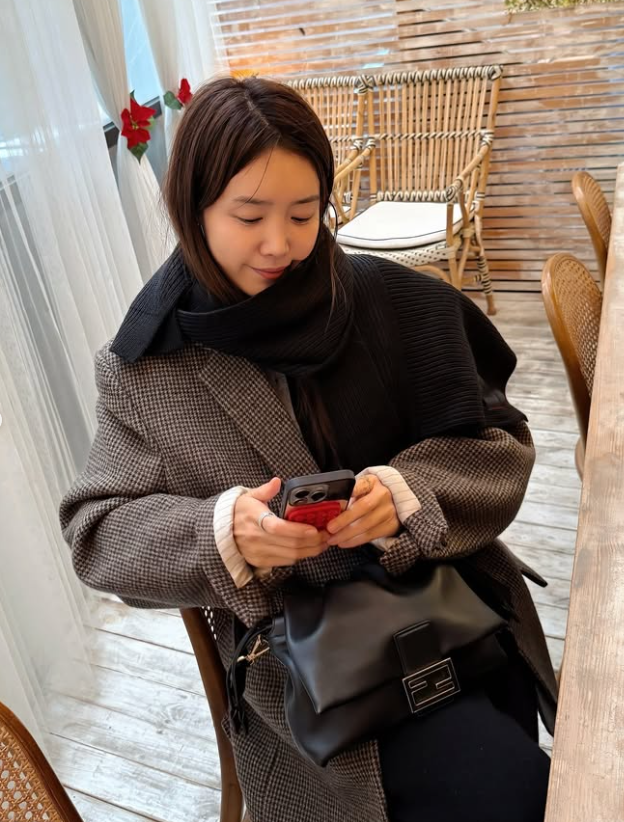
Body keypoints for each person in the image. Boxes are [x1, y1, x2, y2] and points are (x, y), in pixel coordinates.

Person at [60, 76, 557, 822]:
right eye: (249, 215)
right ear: (192, 208)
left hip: (461, 618)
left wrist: (408, 493)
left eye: (303, 213)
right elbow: (96, 533)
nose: (280, 244)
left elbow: (500, 446)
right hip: (316, 684)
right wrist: (225, 532)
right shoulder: (149, 367)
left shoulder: (393, 301)